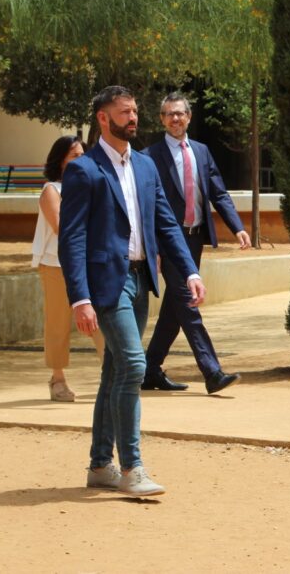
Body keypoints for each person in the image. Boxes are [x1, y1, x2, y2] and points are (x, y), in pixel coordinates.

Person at [60, 85, 206, 497]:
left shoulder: (144, 166)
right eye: (124, 113)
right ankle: (132, 467)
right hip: (107, 284)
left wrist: (190, 271)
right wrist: (80, 297)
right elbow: (71, 239)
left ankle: (99, 464)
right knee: (133, 365)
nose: (133, 118)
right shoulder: (84, 171)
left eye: (135, 112)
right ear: (103, 119)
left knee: (115, 372)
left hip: (142, 281)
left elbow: (166, 224)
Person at [141, 92, 247, 394]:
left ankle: (149, 370)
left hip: (195, 238)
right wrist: (155, 248)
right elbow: (148, 208)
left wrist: (237, 227)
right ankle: (212, 372)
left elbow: (219, 193)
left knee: (175, 309)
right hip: (169, 244)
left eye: (180, 113)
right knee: (189, 303)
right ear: (162, 119)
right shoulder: (150, 156)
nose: (175, 118)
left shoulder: (201, 151)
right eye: (169, 114)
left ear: (189, 117)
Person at [31, 135, 106, 402]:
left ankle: (113, 376)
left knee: (102, 320)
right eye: (74, 155)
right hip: (55, 265)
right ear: (60, 161)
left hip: (89, 264)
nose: (81, 160)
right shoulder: (52, 189)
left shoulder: (90, 186)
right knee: (58, 323)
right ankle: (58, 378)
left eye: (83, 154)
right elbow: (62, 228)